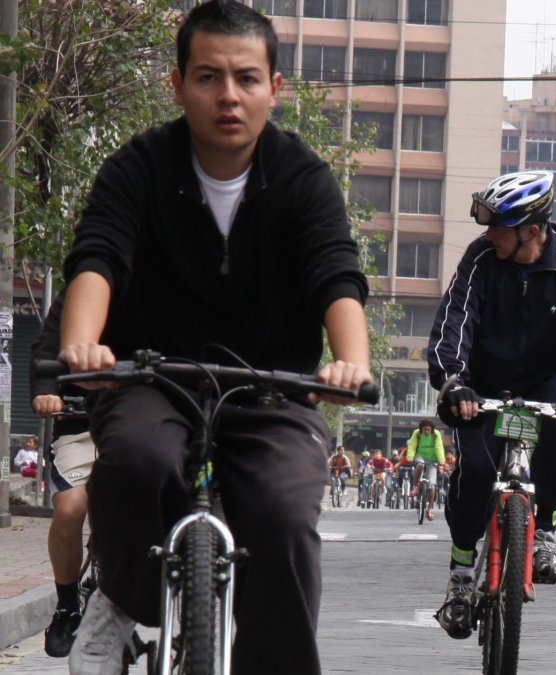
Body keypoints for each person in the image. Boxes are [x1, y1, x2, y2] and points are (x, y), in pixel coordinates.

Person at [55, 3, 373, 673]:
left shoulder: (303, 180)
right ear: (178, 85)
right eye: (208, 76)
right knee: (137, 461)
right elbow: (98, 257)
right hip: (150, 378)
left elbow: (335, 275)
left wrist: (352, 361)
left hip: (272, 392)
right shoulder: (138, 165)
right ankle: (118, 597)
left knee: (285, 515)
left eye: (247, 78)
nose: (229, 95)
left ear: (274, 89)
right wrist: (84, 345)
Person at [427, 169, 556, 640]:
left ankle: (545, 532)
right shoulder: (480, 259)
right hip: (483, 383)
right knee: (472, 467)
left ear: (532, 231)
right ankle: (461, 573)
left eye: (498, 227)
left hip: (549, 381)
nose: (488, 235)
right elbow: (455, 320)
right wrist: (453, 382)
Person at [30, 294, 94, 657]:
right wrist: (45, 391)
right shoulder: (79, 291)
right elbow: (48, 345)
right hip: (80, 422)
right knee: (69, 509)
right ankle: (68, 605)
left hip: (144, 421)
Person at [405, 419, 446, 519]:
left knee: (432, 485)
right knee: (420, 465)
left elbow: (438, 447)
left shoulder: (436, 434)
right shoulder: (417, 433)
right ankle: (415, 487)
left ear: (431, 429)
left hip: (433, 459)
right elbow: (412, 445)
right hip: (420, 456)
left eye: (428, 429)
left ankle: (430, 510)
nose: (426, 431)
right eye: (424, 429)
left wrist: (441, 459)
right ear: (421, 429)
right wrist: (410, 456)